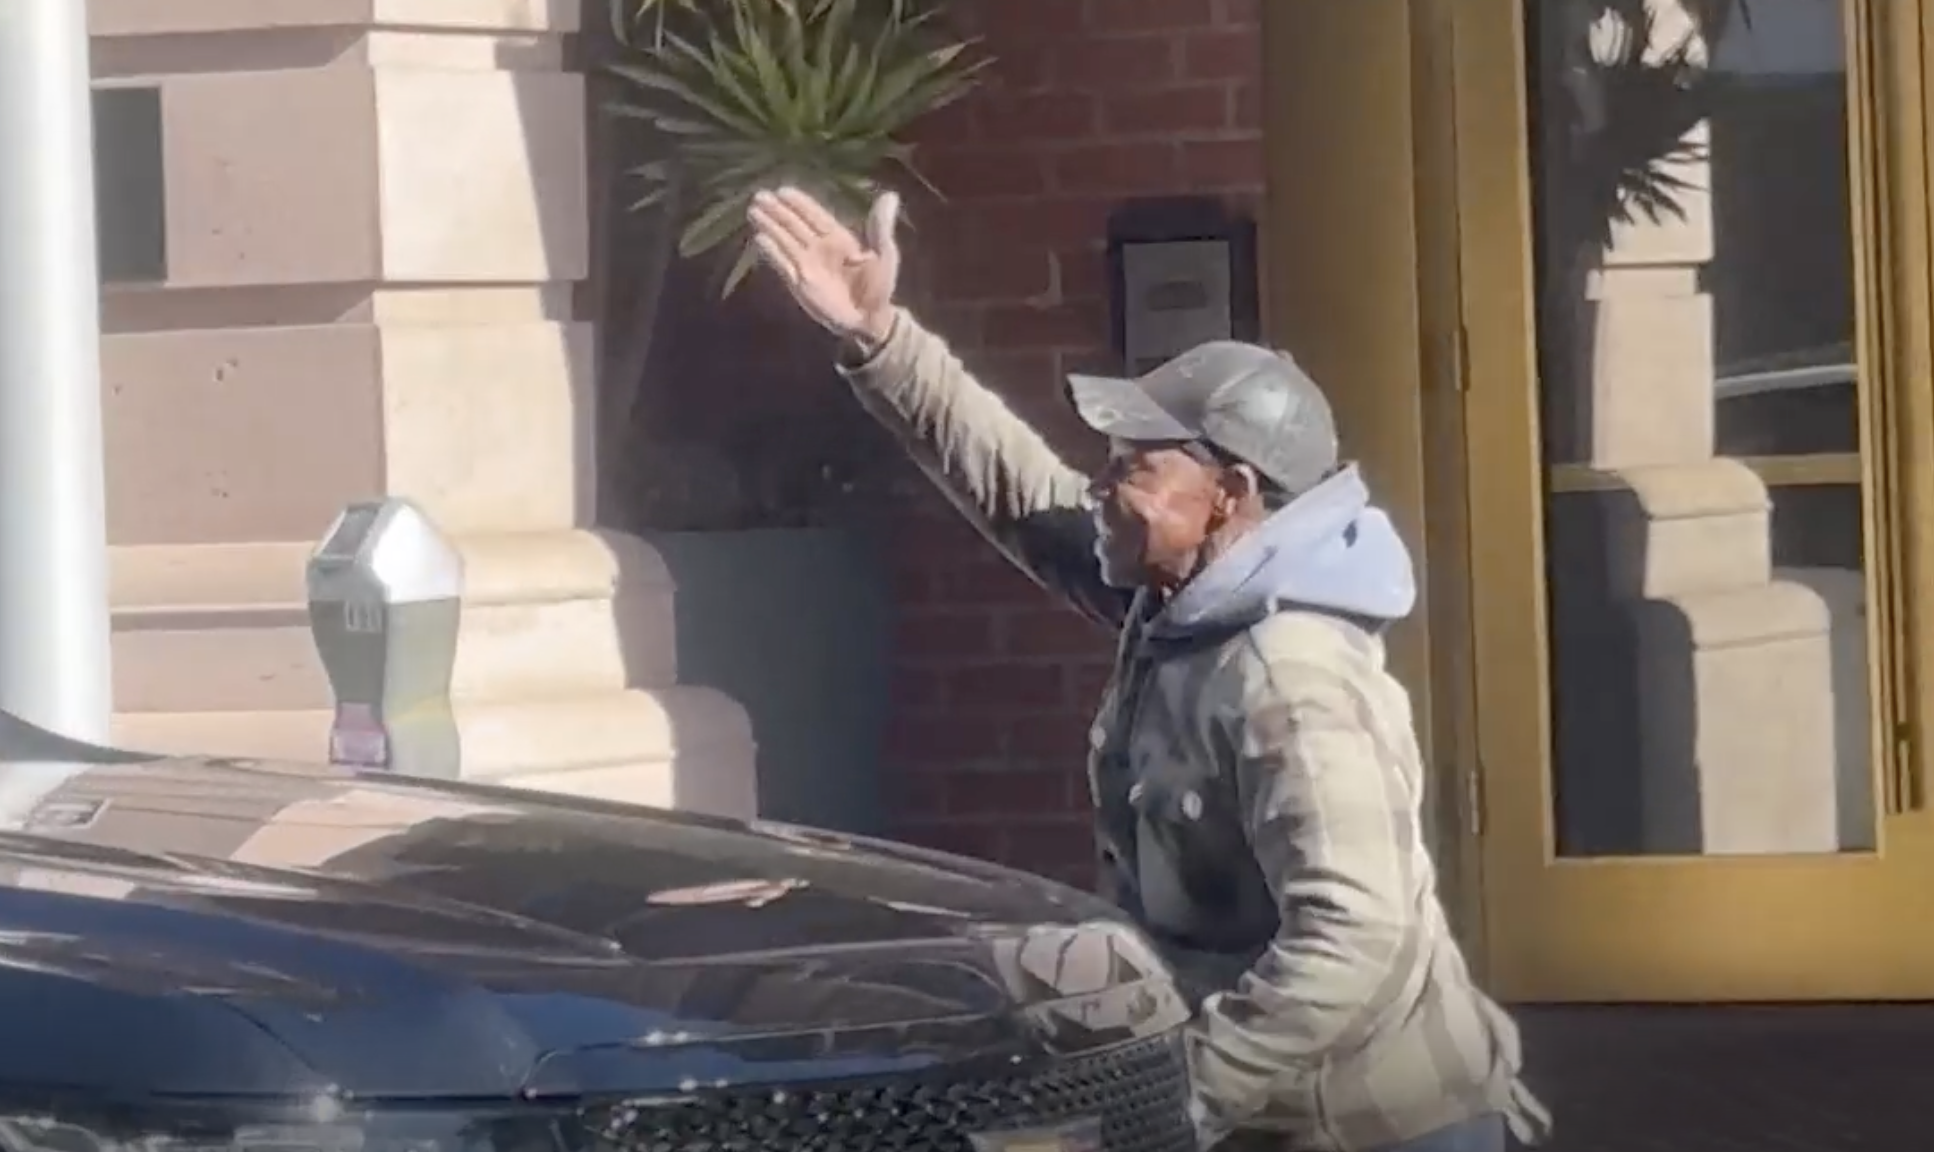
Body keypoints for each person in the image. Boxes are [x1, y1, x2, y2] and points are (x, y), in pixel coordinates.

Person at [745, 185, 1549, 1152]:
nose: (1103, 486)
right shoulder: (1178, 599)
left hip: (1365, 1130)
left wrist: (1175, 1104)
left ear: (1231, 496)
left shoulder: (1289, 676)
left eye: (1137, 467)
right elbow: (1018, 490)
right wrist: (880, 335)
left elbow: (1355, 940)